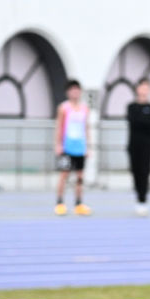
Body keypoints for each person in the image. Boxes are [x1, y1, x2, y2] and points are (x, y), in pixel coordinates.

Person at [54, 79, 91, 215]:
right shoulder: (63, 108)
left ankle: (78, 203)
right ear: (68, 92)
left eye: (77, 90)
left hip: (80, 147)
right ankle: (60, 202)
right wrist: (58, 144)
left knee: (80, 177)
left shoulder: (84, 108)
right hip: (67, 147)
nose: (75, 93)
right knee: (64, 175)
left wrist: (88, 147)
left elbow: (86, 128)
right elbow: (59, 127)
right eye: (72, 90)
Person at [125, 77, 150, 217]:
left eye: (147, 87)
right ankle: (138, 196)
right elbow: (133, 121)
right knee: (135, 172)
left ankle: (143, 199)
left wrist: (142, 120)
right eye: (142, 87)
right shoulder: (131, 107)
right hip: (133, 144)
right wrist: (144, 120)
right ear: (137, 89)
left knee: (145, 172)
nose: (144, 90)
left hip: (147, 145)